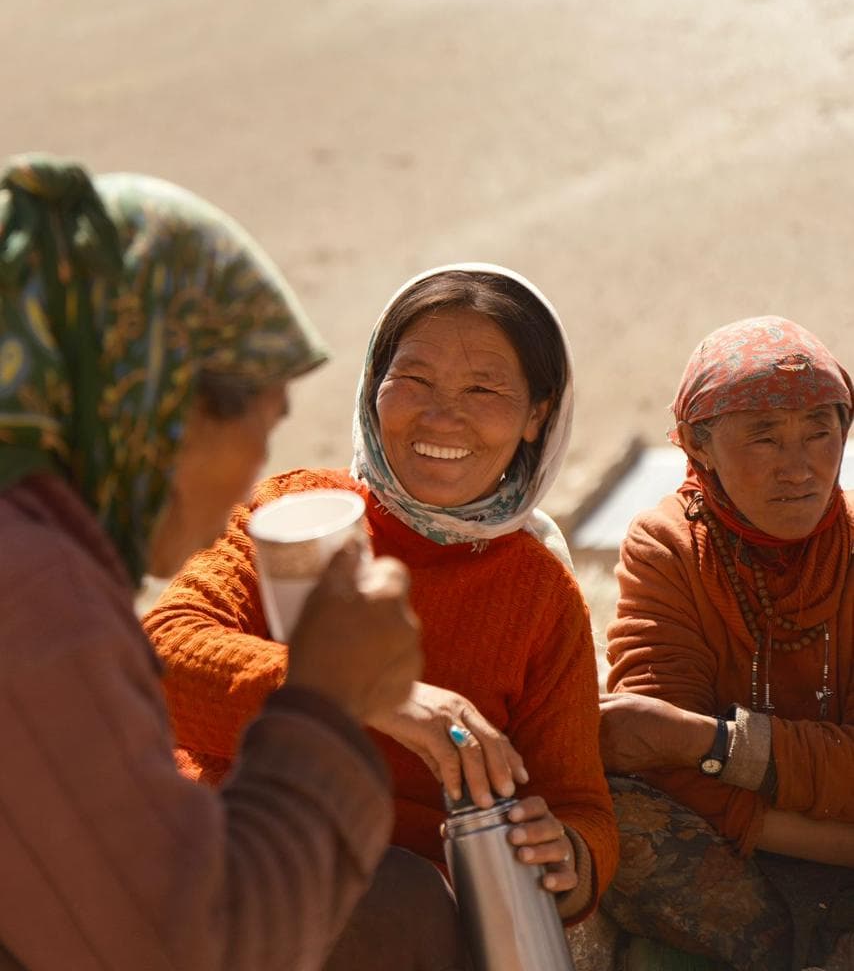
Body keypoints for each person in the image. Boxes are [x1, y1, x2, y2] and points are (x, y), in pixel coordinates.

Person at [0, 157, 425, 971]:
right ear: (161, 399)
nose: (252, 479)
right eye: (262, 426)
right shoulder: (33, 597)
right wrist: (327, 703)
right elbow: (188, 950)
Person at [144, 263, 619, 950]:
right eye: (415, 380)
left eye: (483, 388)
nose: (441, 415)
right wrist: (365, 694)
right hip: (229, 859)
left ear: (536, 415)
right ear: (374, 385)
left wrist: (567, 854)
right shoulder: (291, 515)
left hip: (406, 924)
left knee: (398, 895)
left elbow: (581, 806)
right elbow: (158, 657)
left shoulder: (541, 598)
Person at [600, 316, 854, 971]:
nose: (799, 468)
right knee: (619, 818)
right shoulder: (668, 548)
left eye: (820, 433)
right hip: (736, 860)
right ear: (696, 444)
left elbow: (672, 739)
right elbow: (646, 753)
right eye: (764, 438)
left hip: (745, 831)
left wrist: (706, 743)